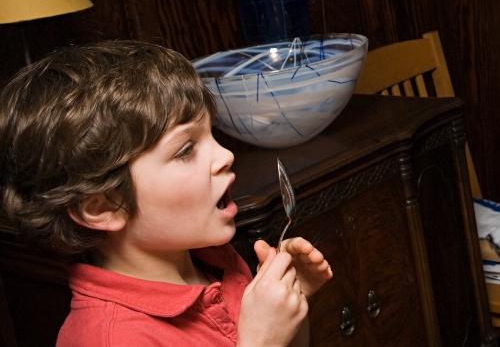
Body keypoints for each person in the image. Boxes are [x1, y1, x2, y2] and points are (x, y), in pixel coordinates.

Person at [0, 41, 333, 347]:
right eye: (186, 149)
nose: (226, 155)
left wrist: (289, 306)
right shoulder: (108, 338)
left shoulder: (219, 262)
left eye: (211, 134)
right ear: (105, 207)